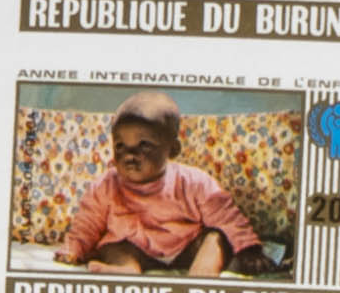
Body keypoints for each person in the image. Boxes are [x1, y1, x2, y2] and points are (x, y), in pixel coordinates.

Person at [57, 93, 268, 279]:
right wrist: (74, 249)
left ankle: (202, 274)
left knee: (216, 237)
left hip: (186, 249)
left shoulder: (194, 182)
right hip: (135, 249)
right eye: (120, 146)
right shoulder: (106, 185)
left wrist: (248, 248)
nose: (130, 155)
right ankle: (126, 269)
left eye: (144, 145)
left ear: (172, 149)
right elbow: (88, 223)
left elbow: (227, 217)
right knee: (111, 245)